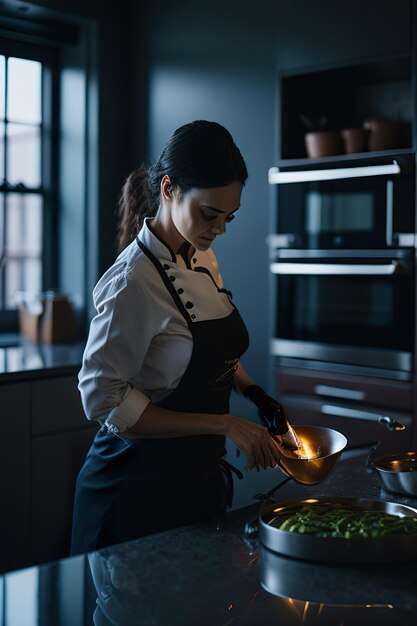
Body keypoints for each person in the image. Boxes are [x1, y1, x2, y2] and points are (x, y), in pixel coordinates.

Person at [70, 120, 286, 555]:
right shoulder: (133, 282)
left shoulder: (203, 255)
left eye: (229, 217)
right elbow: (103, 400)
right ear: (169, 189)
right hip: (132, 494)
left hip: (195, 487)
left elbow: (211, 352)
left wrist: (256, 394)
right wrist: (225, 424)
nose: (220, 229)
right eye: (210, 214)